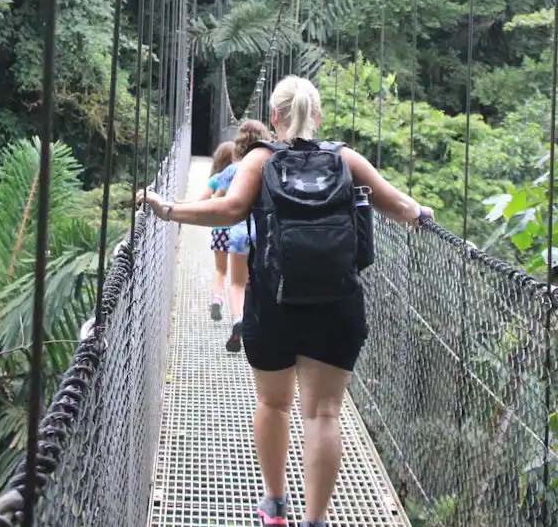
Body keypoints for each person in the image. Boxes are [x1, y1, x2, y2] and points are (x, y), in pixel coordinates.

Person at [139, 75, 433, 527]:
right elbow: (396, 204)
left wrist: (168, 209)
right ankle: (316, 520)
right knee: (324, 413)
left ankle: (274, 506)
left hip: (272, 303)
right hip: (336, 304)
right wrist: (421, 215)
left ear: (273, 117)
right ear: (317, 116)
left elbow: (230, 209)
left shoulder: (259, 159)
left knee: (274, 404)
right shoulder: (346, 159)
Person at [214, 119, 271, 352]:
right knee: (259, 283)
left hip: (238, 234)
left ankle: (238, 318)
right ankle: (261, 325)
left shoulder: (230, 171)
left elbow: (217, 200)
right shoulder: (270, 166)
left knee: (237, 284)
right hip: (263, 234)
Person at [202, 140, 235, 321]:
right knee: (242, 275)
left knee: (220, 270)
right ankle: (241, 310)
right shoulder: (241, 177)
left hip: (220, 231)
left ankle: (217, 299)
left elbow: (203, 200)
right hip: (239, 230)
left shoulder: (215, 180)